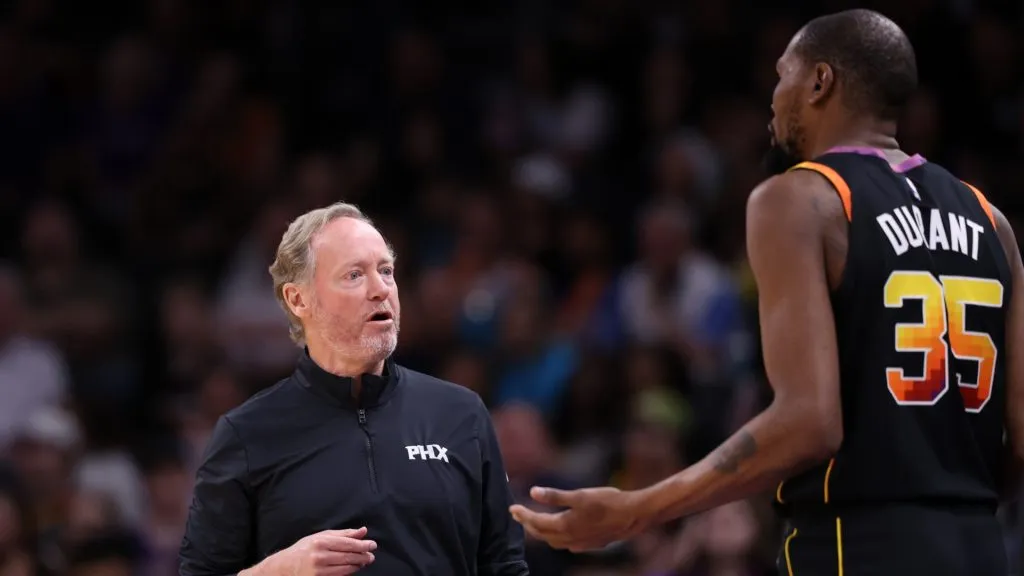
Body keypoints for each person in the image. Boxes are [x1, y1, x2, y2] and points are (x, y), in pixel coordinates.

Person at [509, 9, 1024, 576]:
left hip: (857, 544)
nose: (774, 98)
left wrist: (638, 508)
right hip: (981, 545)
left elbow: (810, 422)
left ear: (820, 81)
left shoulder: (800, 197)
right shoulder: (990, 218)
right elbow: (1018, 439)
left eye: (784, 75)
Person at [179, 202, 528, 575]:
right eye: (354, 275)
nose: (381, 289)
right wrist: (276, 571)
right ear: (299, 300)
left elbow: (505, 565)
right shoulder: (247, 433)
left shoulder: (462, 413)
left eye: (386, 271)